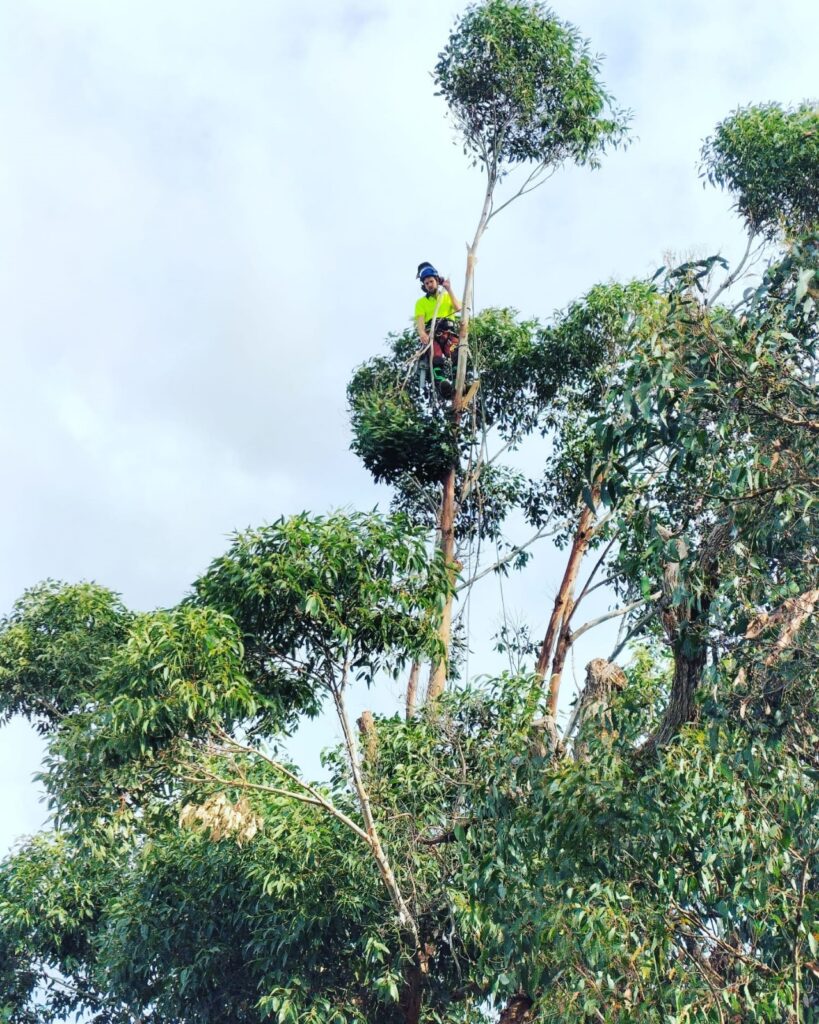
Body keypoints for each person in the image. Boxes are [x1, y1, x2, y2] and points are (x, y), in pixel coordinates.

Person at [414, 262, 462, 397]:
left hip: (449, 332)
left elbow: (459, 308)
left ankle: (460, 381)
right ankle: (442, 383)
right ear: (424, 285)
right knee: (436, 357)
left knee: (456, 353)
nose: (429, 284)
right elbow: (420, 321)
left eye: (431, 281)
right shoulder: (421, 303)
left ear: (437, 281)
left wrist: (449, 289)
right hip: (432, 334)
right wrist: (422, 333)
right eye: (426, 283)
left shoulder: (446, 297)